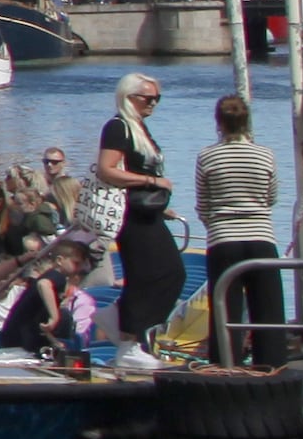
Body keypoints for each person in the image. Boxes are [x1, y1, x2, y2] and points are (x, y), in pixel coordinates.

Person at [187, 91, 285, 363]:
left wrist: (215, 222)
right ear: (247, 122)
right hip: (261, 236)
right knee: (268, 310)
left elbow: (203, 203)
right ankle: (271, 365)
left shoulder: (207, 156)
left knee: (224, 309)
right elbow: (271, 197)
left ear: (218, 122)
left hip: (223, 239)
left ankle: (225, 364)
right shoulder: (265, 155)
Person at [98, 76, 182, 341]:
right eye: (148, 98)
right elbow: (106, 169)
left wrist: (159, 204)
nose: (153, 104)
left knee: (166, 274)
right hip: (131, 215)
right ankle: (131, 338)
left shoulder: (139, 128)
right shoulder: (118, 127)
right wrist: (151, 181)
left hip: (147, 213)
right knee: (158, 274)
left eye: (158, 98)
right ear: (129, 97)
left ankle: (128, 329)